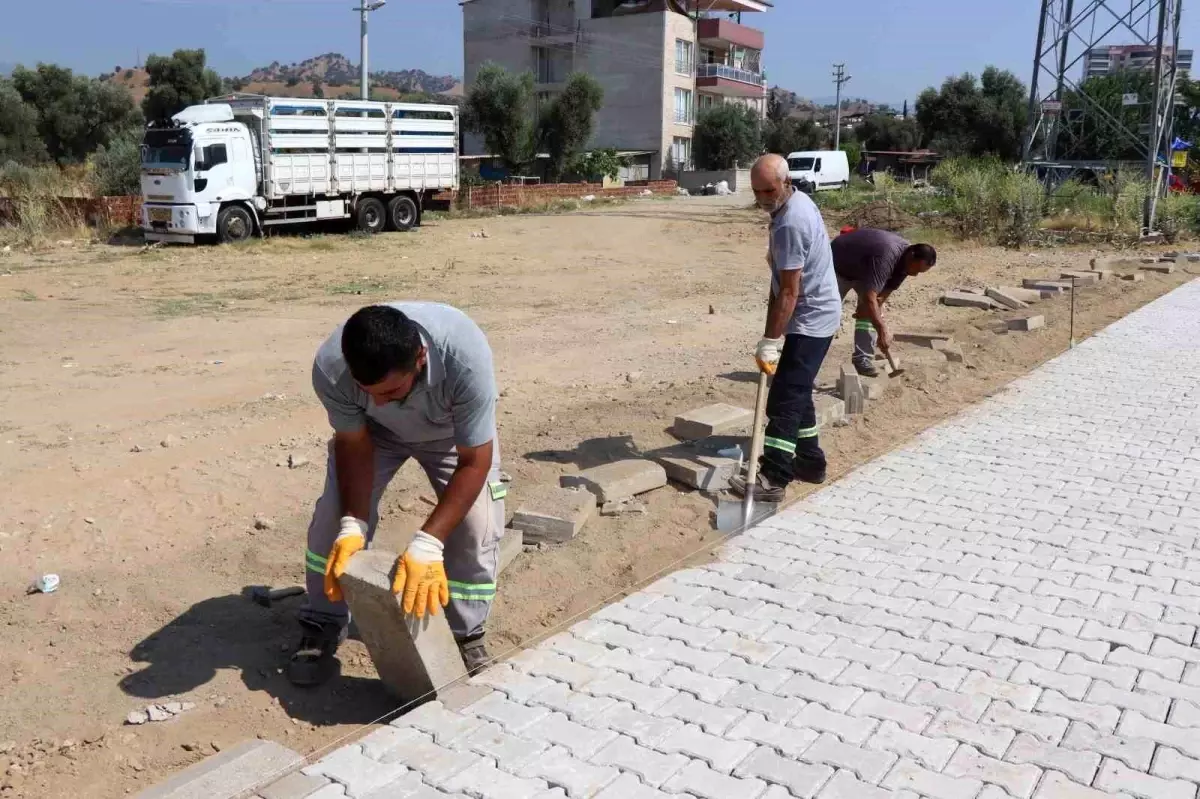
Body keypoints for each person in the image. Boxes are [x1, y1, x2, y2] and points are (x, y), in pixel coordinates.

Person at [288, 302, 506, 685]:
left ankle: (464, 633)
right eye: (368, 392)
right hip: (377, 436)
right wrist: (353, 524)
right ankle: (323, 620)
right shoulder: (331, 366)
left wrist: (428, 542)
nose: (381, 401)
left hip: (449, 435)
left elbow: (474, 460)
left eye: (390, 391)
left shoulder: (464, 357)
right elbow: (353, 443)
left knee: (476, 525)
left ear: (420, 358)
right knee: (331, 523)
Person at [731, 153, 842, 502]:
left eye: (769, 190)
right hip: (809, 314)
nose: (763, 198)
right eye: (757, 192)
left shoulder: (790, 224)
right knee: (797, 389)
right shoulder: (796, 203)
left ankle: (773, 477)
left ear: (785, 183)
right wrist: (770, 335)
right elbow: (779, 286)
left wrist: (771, 341)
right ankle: (810, 463)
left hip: (812, 317)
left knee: (783, 399)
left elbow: (790, 292)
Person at [831, 228, 937, 377]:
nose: (915, 274)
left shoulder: (906, 265)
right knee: (828, 313)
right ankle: (807, 361)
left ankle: (863, 361)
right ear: (911, 256)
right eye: (917, 269)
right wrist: (881, 329)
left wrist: (872, 313)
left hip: (865, 270)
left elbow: (880, 297)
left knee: (871, 313)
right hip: (839, 264)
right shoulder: (887, 255)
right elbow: (870, 297)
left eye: (920, 272)